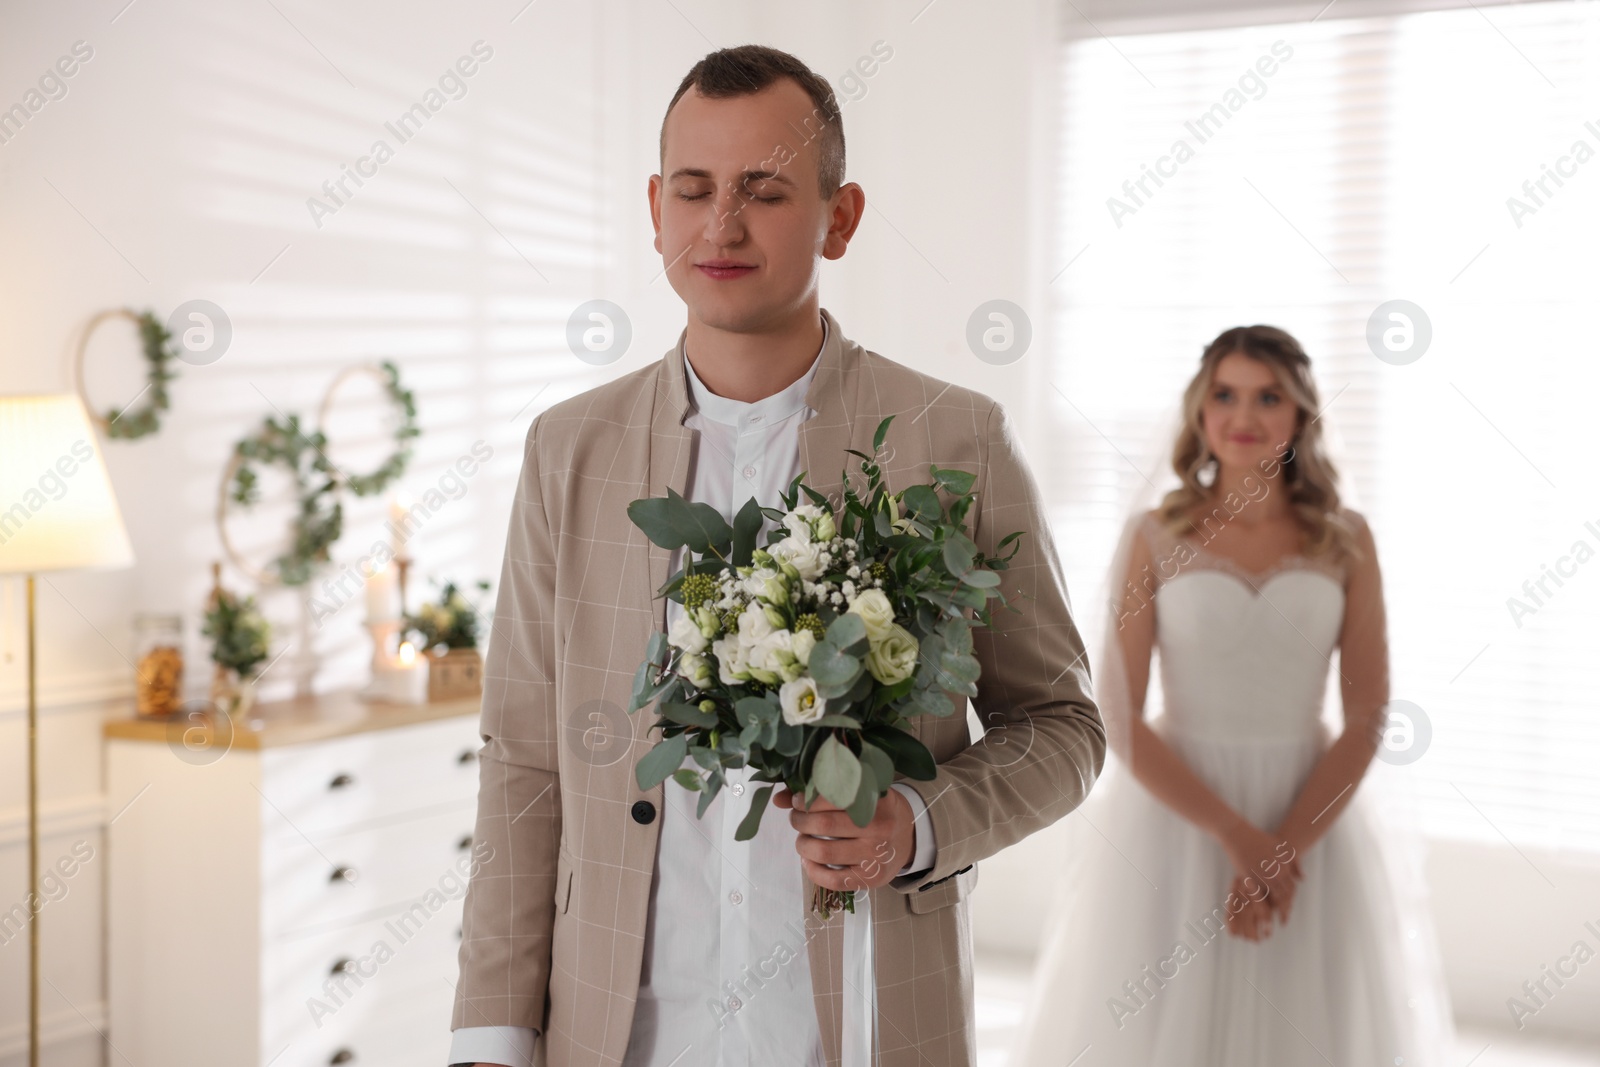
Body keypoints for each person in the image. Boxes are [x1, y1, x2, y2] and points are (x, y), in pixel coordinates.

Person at [447, 45, 1105, 1067]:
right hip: (614, 1031)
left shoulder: (953, 436)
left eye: (764, 190)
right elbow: (524, 760)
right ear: (655, 207)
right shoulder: (567, 448)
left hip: (868, 1018)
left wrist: (916, 822)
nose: (722, 224)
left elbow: (1063, 726)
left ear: (838, 218)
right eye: (695, 190)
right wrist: (490, 1033)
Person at [1009, 325, 1454, 1066]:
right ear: (1200, 411)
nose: (1243, 414)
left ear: (1300, 414)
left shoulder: (1347, 539)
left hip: (1309, 816)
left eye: (1268, 395)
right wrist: (1239, 838)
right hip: (1181, 818)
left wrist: (1284, 848)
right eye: (1225, 393)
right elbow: (1119, 713)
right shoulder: (1152, 535)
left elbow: (1370, 712)